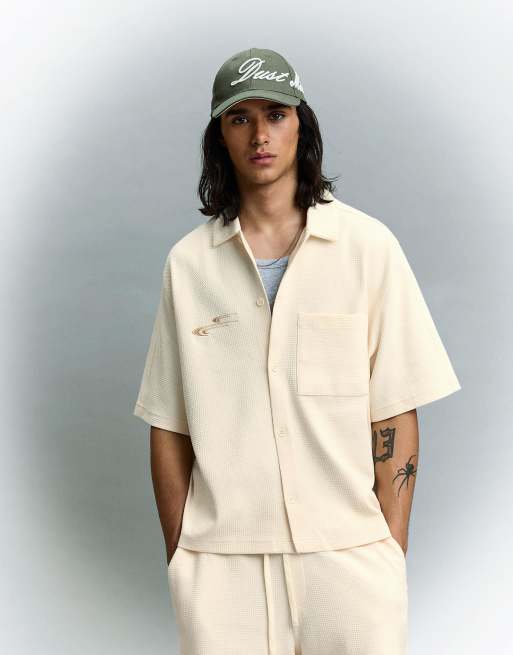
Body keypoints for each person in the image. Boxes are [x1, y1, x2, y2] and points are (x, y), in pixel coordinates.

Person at [133, 47, 461, 655]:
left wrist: (387, 550)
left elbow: (395, 409)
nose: (260, 134)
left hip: (349, 559)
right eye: (240, 118)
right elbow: (168, 423)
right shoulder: (189, 265)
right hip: (222, 566)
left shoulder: (367, 248)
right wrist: (182, 554)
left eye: (276, 114)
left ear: (301, 126)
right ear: (220, 136)